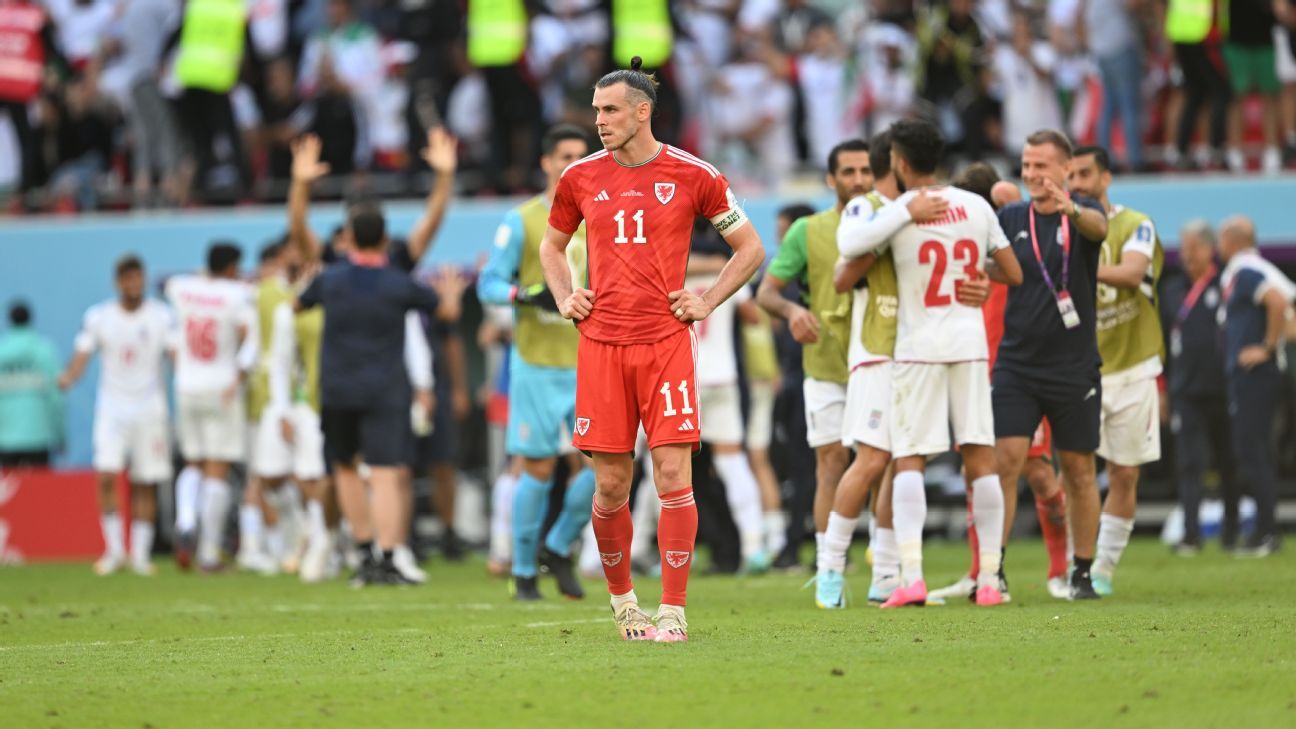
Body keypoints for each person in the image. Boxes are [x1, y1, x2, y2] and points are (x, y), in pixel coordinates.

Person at [539, 58, 765, 643]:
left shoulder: (695, 174)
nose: (599, 121)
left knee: (672, 474)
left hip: (665, 344)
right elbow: (552, 246)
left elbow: (749, 248)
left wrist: (707, 300)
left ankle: (674, 612)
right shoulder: (579, 178)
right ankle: (624, 607)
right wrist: (566, 296)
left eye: (610, 110)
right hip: (602, 346)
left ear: (644, 112)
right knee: (612, 485)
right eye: (595, 110)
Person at [837, 118, 1023, 608]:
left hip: (917, 347)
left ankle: (912, 577)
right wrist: (981, 277)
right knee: (980, 458)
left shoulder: (900, 211)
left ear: (897, 160)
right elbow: (1014, 271)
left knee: (911, 460)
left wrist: (904, 215)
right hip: (969, 342)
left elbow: (850, 248)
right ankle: (988, 580)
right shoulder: (976, 205)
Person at [929, 162, 1072, 604]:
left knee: (1038, 472)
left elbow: (1010, 196)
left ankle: (1060, 570)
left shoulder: (1013, 242)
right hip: (976, 366)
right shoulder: (968, 254)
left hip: (1018, 367)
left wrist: (1000, 195)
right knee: (979, 471)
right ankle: (983, 572)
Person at [476, 123, 599, 601]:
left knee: (604, 466)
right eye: (564, 154)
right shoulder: (522, 220)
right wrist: (525, 296)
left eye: (580, 155)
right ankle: (524, 571)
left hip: (589, 360)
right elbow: (488, 282)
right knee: (539, 468)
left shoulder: (600, 217)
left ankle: (557, 545)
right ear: (546, 162)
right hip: (535, 362)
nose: (572, 163)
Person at [297, 208, 446, 586]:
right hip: (386, 391)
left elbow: (299, 303)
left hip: (338, 390)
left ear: (347, 237)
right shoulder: (398, 282)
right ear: (384, 240)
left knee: (345, 468)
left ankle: (364, 554)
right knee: (384, 473)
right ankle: (391, 555)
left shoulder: (331, 280)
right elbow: (440, 307)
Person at [992, 129, 1109, 600]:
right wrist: (983, 276)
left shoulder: (1084, 214)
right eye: (1026, 164)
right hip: (1017, 362)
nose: (1032, 174)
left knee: (1079, 470)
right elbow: (994, 263)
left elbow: (1099, 230)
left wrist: (1072, 208)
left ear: (1065, 169)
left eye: (1042, 165)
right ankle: (991, 569)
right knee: (1005, 463)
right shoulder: (1010, 216)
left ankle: (1083, 571)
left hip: (1072, 365)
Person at [755, 139, 870, 580]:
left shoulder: (892, 222)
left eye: (864, 171)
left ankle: (889, 567)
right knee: (830, 461)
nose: (857, 180)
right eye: (848, 172)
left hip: (881, 358)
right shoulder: (808, 231)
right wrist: (792, 310)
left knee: (884, 463)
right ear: (831, 179)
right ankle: (829, 569)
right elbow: (767, 292)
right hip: (823, 362)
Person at [1067, 145, 1165, 596]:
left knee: (1125, 473)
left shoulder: (1135, 224)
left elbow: (1131, 274)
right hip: (1081, 367)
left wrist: (1079, 272)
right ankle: (1077, 565)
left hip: (1132, 366)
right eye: (1072, 176)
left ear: (1106, 179)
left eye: (1086, 174)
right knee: (1078, 472)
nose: (1078, 184)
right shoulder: (1061, 228)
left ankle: (1103, 567)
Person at [59, 256, 174, 576]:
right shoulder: (99, 317)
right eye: (128, 279)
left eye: (138, 278)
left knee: (145, 482)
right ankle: (113, 550)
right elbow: (82, 354)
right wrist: (69, 377)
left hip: (150, 410)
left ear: (144, 280)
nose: (133, 285)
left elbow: (175, 356)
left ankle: (139, 554)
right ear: (117, 283)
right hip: (112, 411)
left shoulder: (162, 317)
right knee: (107, 476)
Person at [165, 243, 259, 572]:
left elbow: (168, 283)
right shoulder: (238, 295)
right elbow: (250, 336)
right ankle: (207, 553)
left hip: (187, 386)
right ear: (233, 266)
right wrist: (241, 372)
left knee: (193, 462)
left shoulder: (182, 288)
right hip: (222, 386)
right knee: (217, 468)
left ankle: (186, 519)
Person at [1218, 216, 1294, 556]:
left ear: (1232, 240)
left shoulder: (1246, 270)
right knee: (1253, 451)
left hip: (1255, 376)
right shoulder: (1249, 269)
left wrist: (1265, 346)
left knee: (1253, 451)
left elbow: (1278, 302)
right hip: (1249, 377)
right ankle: (1265, 530)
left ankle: (1266, 533)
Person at [1163, 220, 1236, 553]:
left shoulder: (1226, 285)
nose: (1188, 255)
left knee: (1229, 462)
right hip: (1185, 391)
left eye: (1194, 247)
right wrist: (1163, 388)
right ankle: (1191, 535)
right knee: (1189, 463)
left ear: (1210, 250)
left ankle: (1232, 533)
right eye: (1185, 248)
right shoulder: (1172, 290)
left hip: (1224, 388)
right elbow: (1164, 342)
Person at [0, 302, 63, 467]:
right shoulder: (44, 351)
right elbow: (56, 398)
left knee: (9, 493)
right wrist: (60, 436)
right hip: (38, 439)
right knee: (39, 491)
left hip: (4, 440)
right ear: (30, 320)